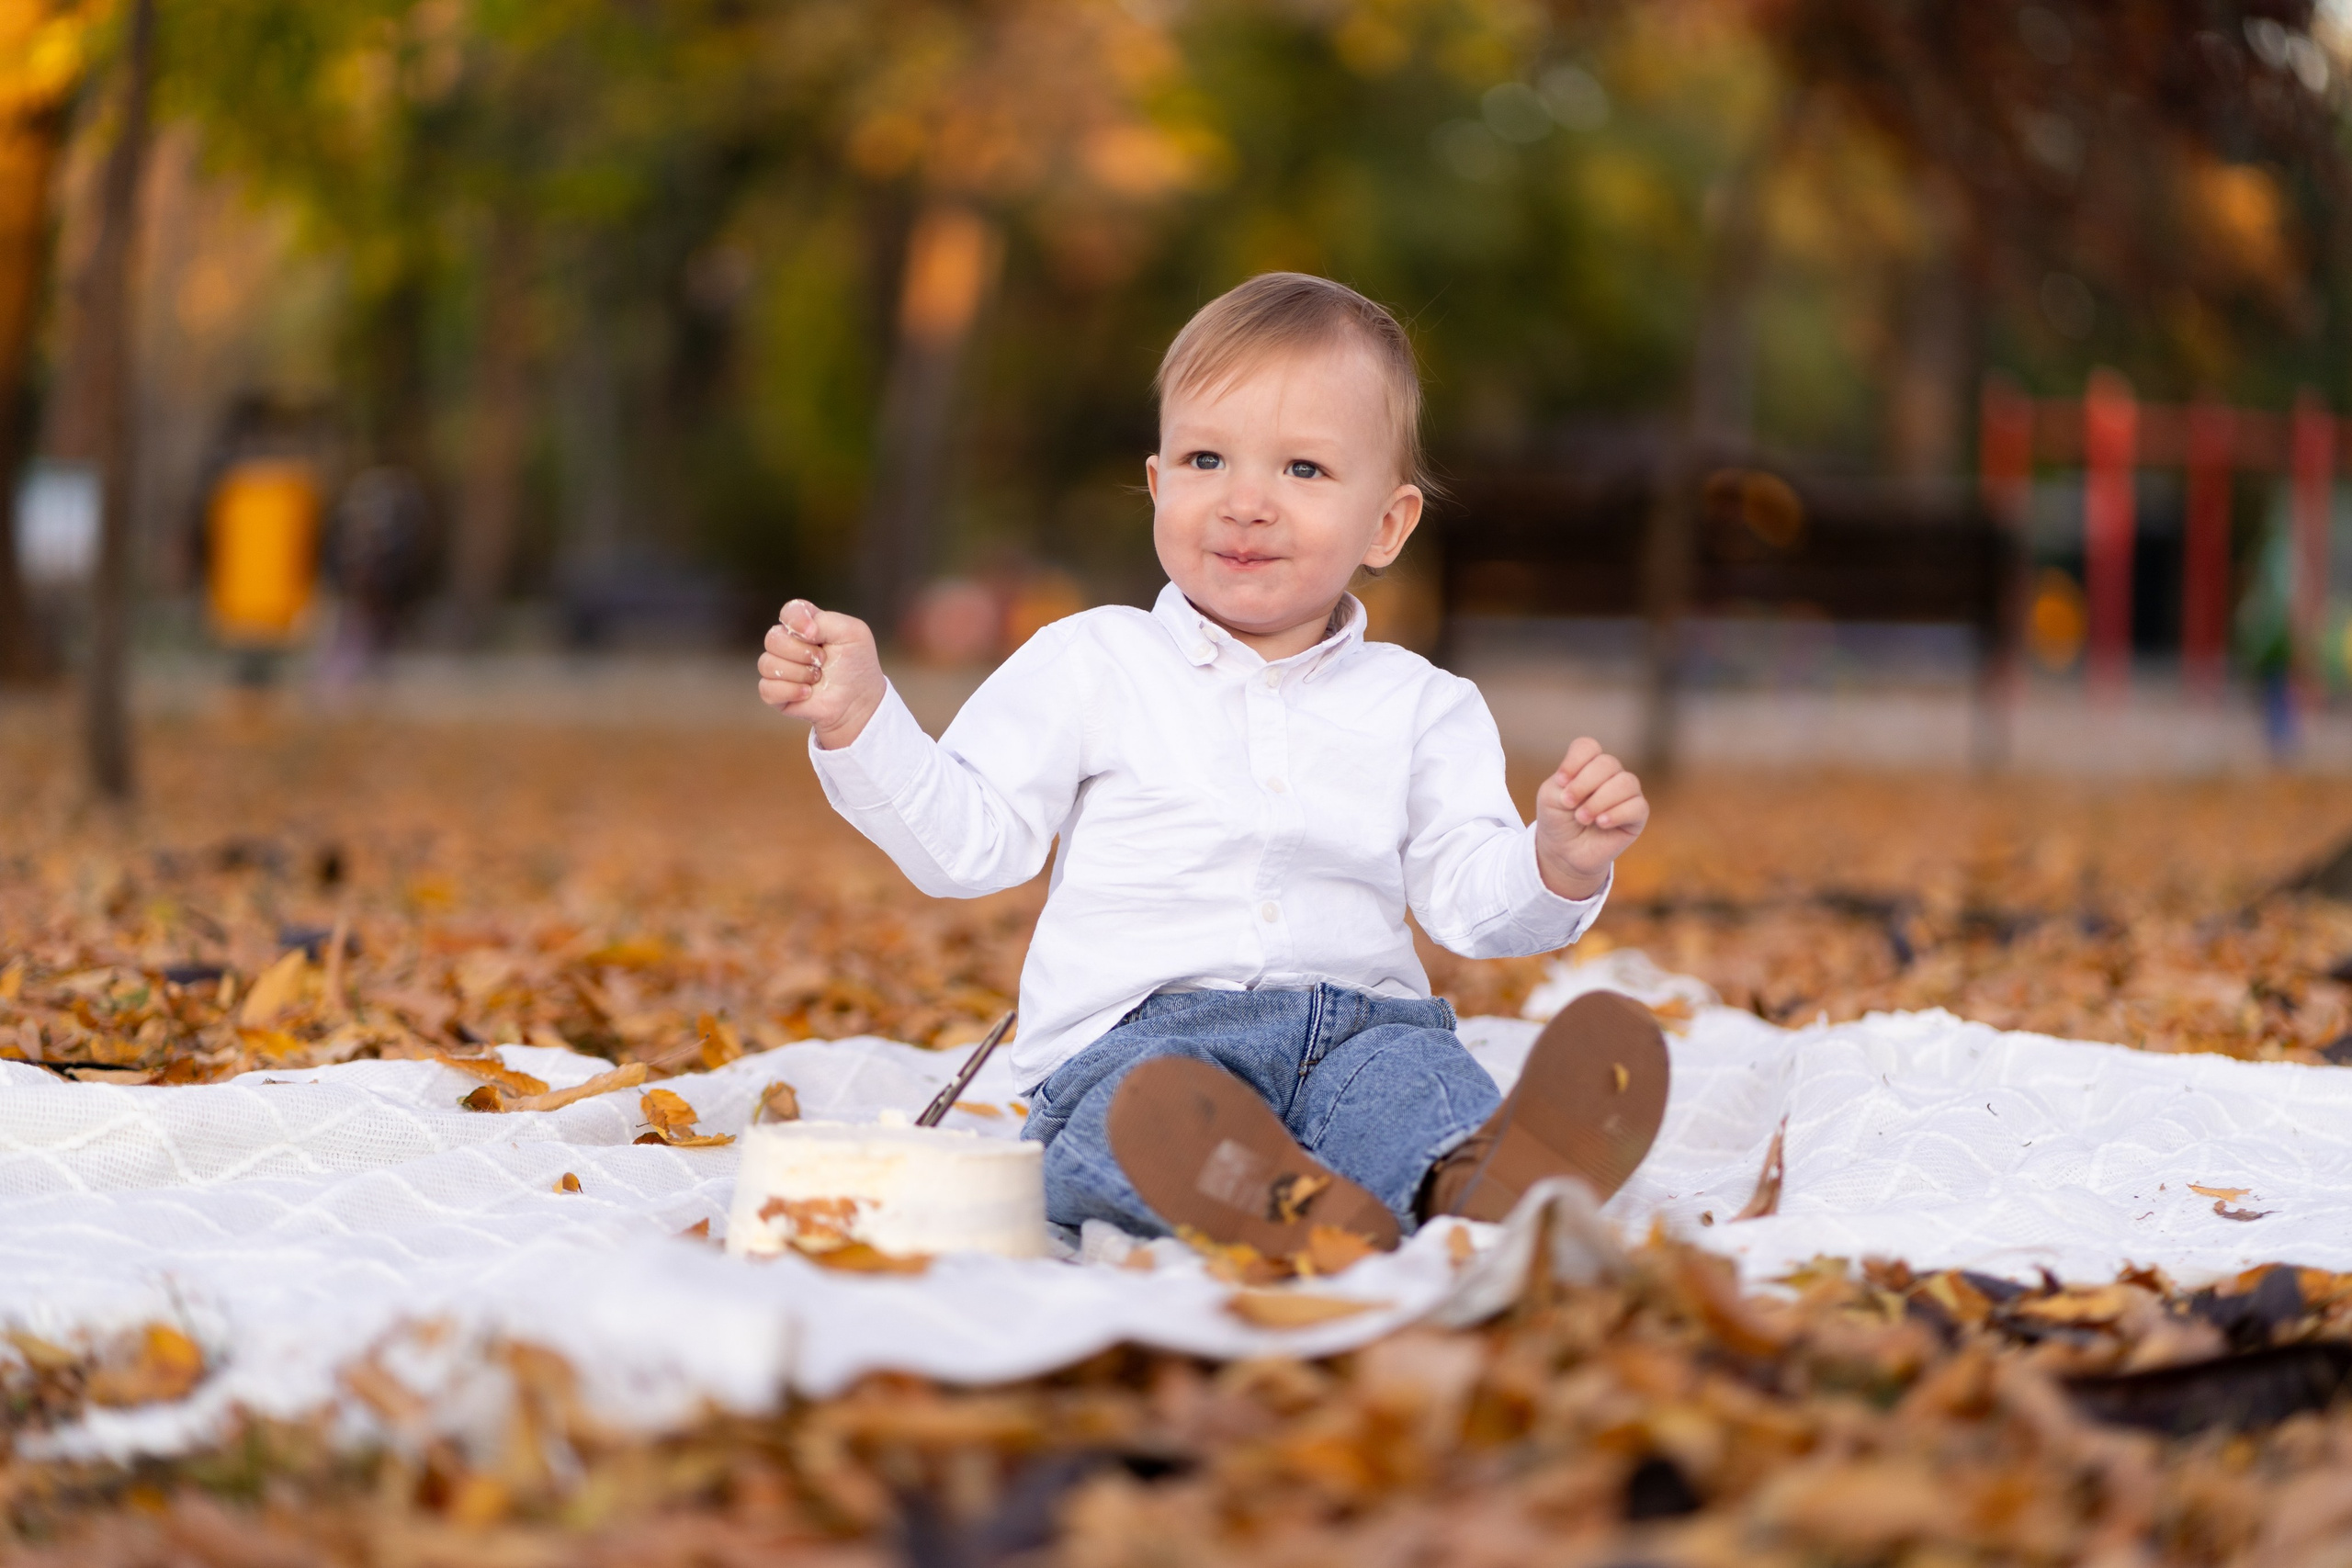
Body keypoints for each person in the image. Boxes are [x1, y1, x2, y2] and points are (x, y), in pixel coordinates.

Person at [756, 273, 1666, 1256]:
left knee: (1418, 1091)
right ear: (1158, 484)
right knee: (1120, 1128)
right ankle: (1275, 1200)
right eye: (1206, 459)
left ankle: (1469, 1178)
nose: (1245, 503)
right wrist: (862, 720)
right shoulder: (1092, 662)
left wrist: (1558, 863)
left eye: (1303, 471)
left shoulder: (1422, 706)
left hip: (1358, 1030)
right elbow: (967, 846)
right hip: (1146, 1043)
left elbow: (1464, 899)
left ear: (1387, 525)